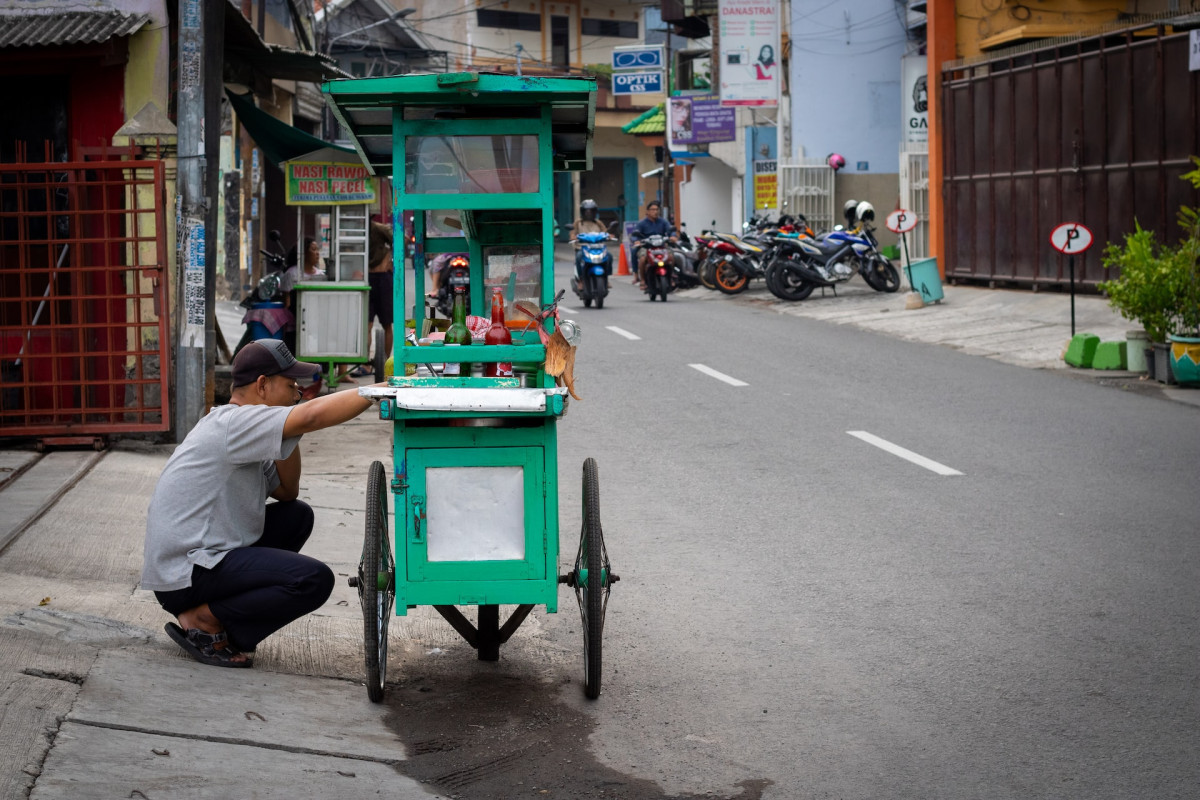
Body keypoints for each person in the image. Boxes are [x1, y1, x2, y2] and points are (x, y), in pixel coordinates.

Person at [142, 339, 378, 667]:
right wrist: (383, 388)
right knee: (313, 580)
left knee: (297, 516)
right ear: (263, 385)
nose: (297, 394)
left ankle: (219, 618)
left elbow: (286, 491)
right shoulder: (233, 423)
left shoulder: (247, 428)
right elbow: (310, 417)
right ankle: (205, 622)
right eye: (290, 386)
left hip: (201, 561)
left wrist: (286, 429)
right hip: (185, 572)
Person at [629, 200, 677, 288]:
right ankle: (642, 279)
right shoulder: (641, 223)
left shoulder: (663, 222)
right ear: (647, 211)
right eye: (653, 210)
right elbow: (635, 235)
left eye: (657, 209)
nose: (655, 212)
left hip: (661, 246)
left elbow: (670, 230)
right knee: (642, 259)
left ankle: (670, 277)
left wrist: (673, 236)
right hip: (647, 247)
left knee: (671, 257)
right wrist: (636, 240)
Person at [367, 219, 395, 360]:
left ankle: (385, 362)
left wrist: (390, 261)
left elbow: (402, 239)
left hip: (383, 279)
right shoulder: (353, 228)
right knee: (367, 324)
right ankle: (366, 362)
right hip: (365, 279)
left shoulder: (378, 228)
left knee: (387, 324)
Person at [572, 199, 609, 290]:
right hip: (582, 248)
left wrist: (609, 235)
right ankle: (581, 280)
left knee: (609, 257)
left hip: (597, 247)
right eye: (586, 211)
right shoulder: (578, 222)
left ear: (595, 212)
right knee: (578, 257)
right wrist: (573, 237)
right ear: (582, 211)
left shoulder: (598, 222)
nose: (589, 213)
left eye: (591, 211)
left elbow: (605, 232)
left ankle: (606, 278)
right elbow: (573, 233)